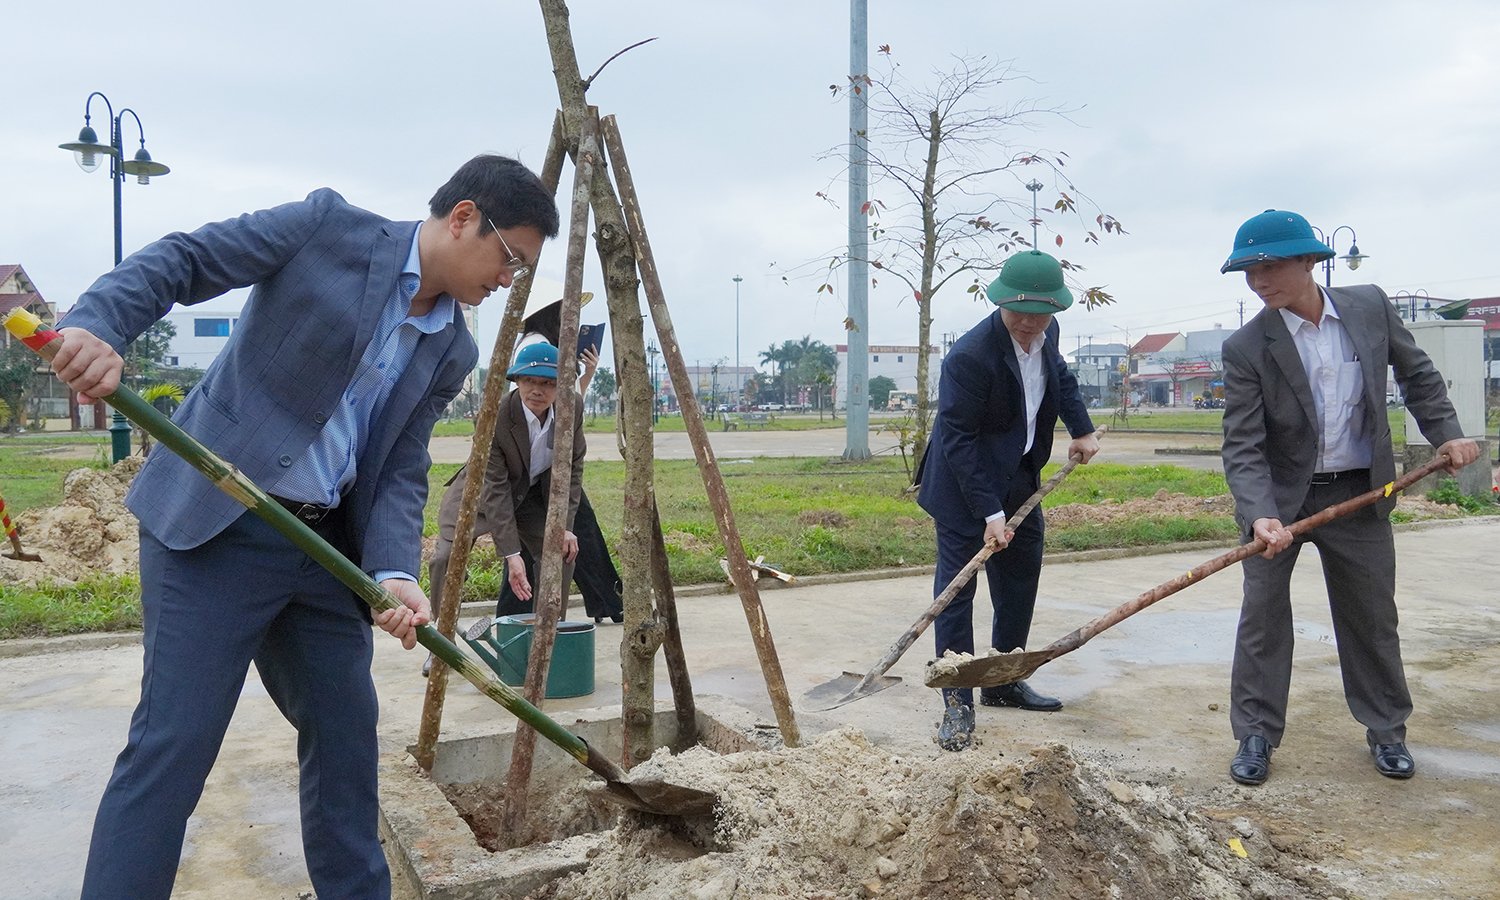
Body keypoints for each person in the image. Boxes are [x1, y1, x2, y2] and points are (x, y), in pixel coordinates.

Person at [49, 153, 559, 900]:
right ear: (461, 217)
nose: (510, 280)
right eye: (509, 258)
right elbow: (184, 260)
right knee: (175, 746)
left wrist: (391, 570)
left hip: (322, 553)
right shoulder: (326, 230)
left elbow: (397, 465)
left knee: (348, 742)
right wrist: (97, 325)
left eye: (524, 270)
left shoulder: (454, 345)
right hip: (215, 531)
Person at [1218, 209, 1480, 786]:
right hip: (1279, 504)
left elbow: (1419, 375)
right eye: (1249, 271)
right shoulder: (1246, 347)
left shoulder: (1368, 307)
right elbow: (1243, 444)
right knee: (1262, 618)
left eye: (1272, 266)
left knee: (1370, 617)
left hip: (1359, 493)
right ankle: (1256, 735)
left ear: (1312, 260)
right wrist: (1261, 515)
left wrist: (1448, 434)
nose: (1259, 281)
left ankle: (1387, 731)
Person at [915, 250, 1099, 751]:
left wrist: (1080, 429)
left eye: (1040, 314)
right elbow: (956, 439)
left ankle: (1004, 679)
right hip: (960, 487)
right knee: (958, 591)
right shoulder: (970, 357)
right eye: (1019, 312)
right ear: (1001, 301)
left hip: (1018, 474)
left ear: (1055, 310)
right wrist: (989, 513)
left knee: (1020, 574)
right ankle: (957, 701)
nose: (1028, 323)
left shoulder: (1047, 334)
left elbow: (1060, 377)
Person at [427, 340, 587, 652]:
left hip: (528, 496)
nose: (537, 390)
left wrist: (565, 525)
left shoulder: (573, 409)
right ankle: (441, 639)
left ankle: (549, 636)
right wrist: (512, 556)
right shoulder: (497, 414)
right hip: (478, 493)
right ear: (516, 381)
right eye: (529, 381)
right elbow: (495, 488)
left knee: (560, 551)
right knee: (444, 559)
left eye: (547, 383)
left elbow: (573, 466)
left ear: (561, 385)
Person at [494, 297, 624, 623]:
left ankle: (606, 602)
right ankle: (609, 602)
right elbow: (553, 400)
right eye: (568, 313)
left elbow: (565, 403)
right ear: (554, 315)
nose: (574, 320)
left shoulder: (545, 346)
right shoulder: (538, 346)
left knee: (567, 538)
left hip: (548, 462)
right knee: (568, 537)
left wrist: (588, 372)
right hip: (537, 469)